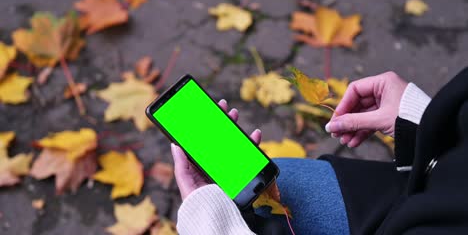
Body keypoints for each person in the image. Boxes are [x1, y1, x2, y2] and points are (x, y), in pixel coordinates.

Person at [170, 69, 468, 234]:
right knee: (277, 182)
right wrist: (427, 123)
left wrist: (210, 225)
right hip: (439, 186)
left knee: (259, 200)